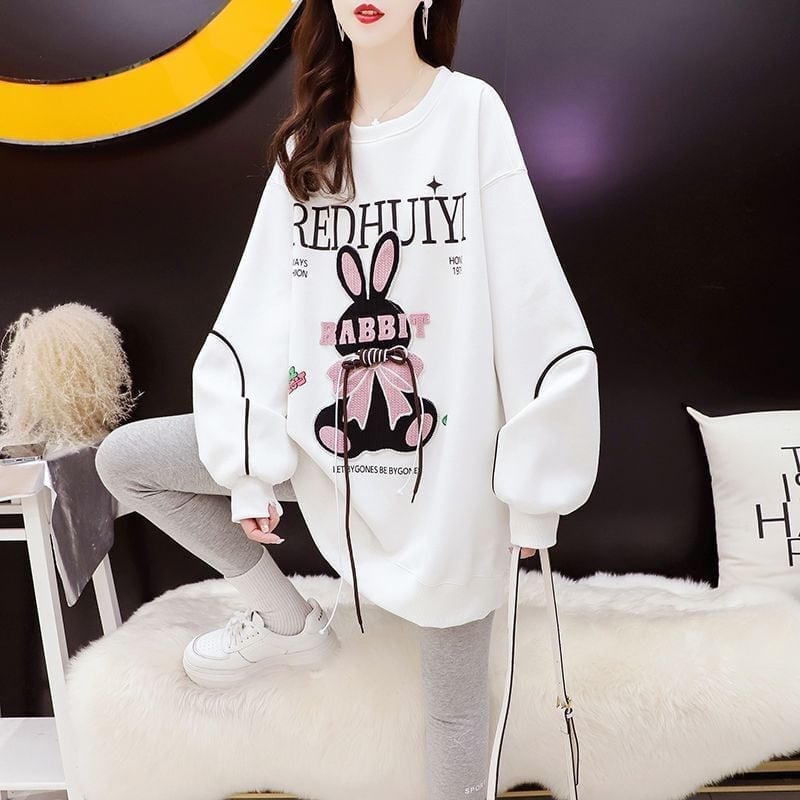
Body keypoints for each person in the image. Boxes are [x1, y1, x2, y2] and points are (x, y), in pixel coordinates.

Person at [95, 1, 601, 798]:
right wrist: (250, 472)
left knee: (457, 714)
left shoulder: (470, 115)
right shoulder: (310, 145)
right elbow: (261, 312)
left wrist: (533, 495)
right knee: (127, 460)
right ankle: (286, 621)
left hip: (449, 474)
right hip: (323, 452)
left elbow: (530, 300)